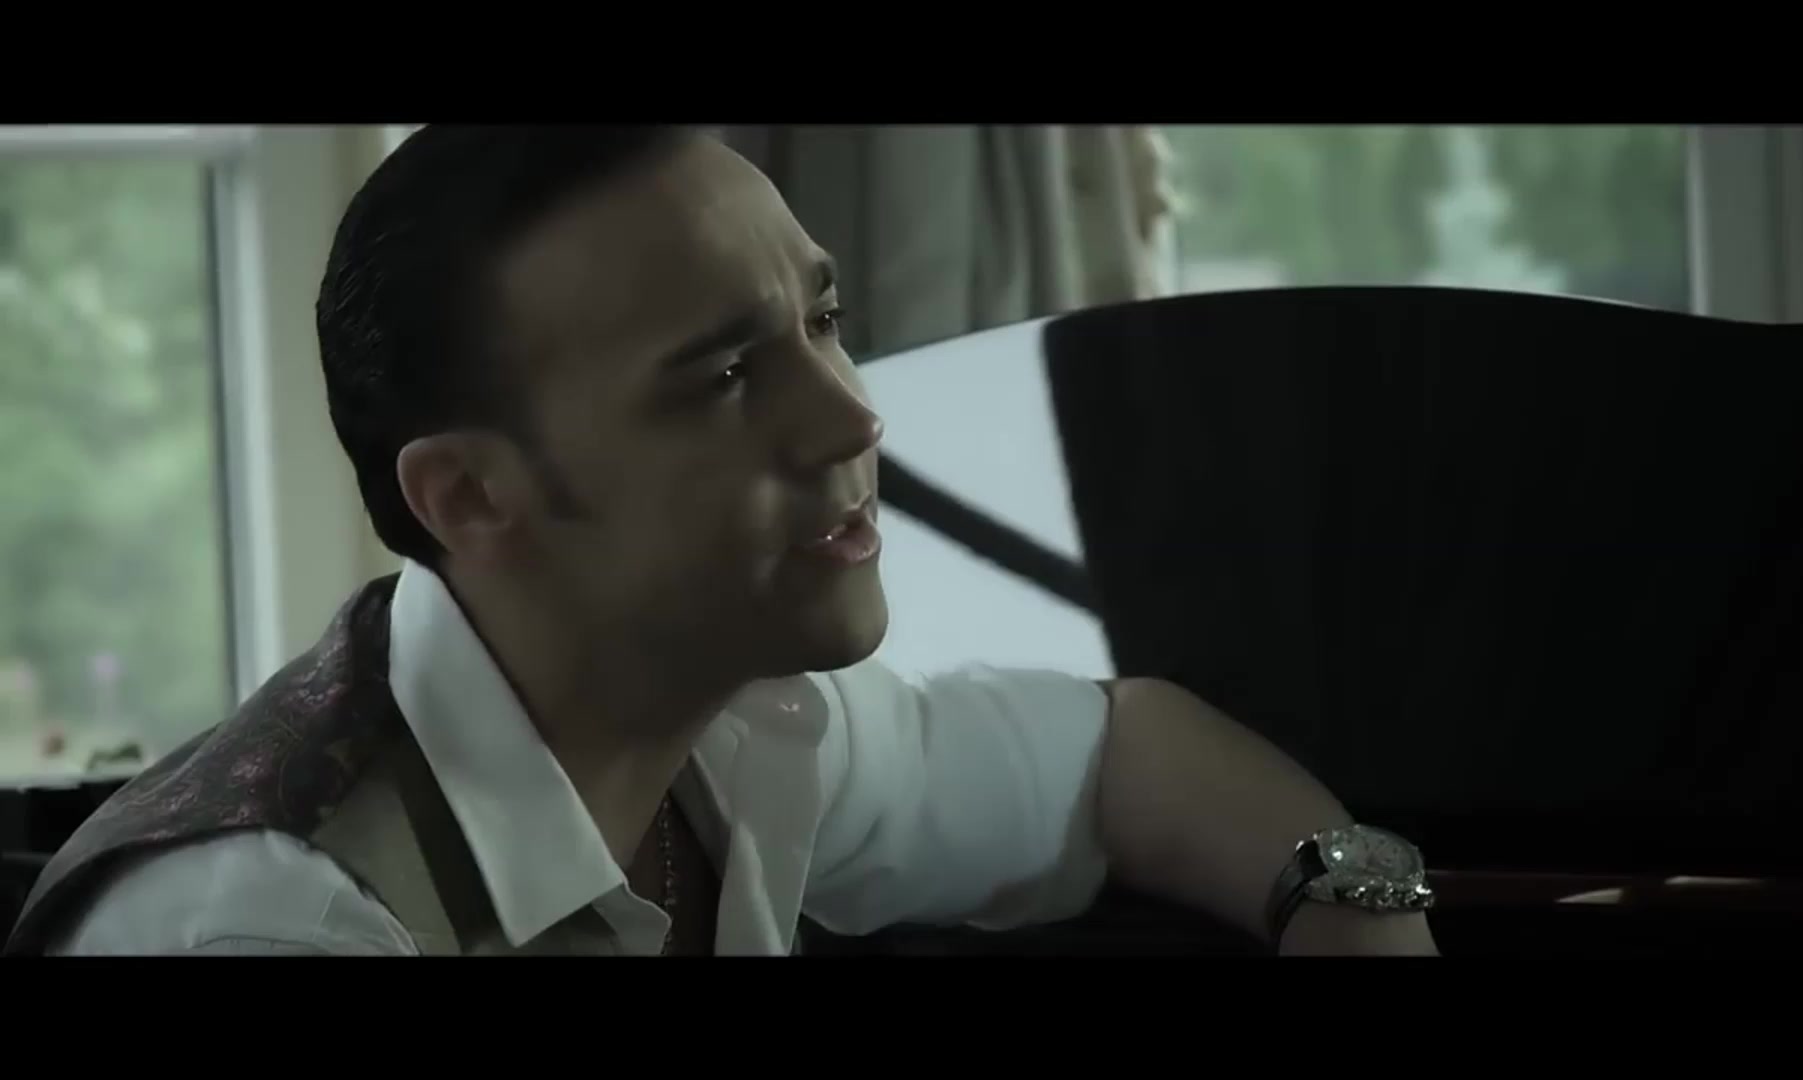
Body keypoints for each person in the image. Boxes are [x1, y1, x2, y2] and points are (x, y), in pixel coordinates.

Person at [6, 126, 1438, 956]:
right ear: (470, 498)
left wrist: (1355, 898)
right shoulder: (267, 922)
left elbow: (1124, 755)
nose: (853, 416)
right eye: (728, 375)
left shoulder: (742, 723)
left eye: (823, 319)